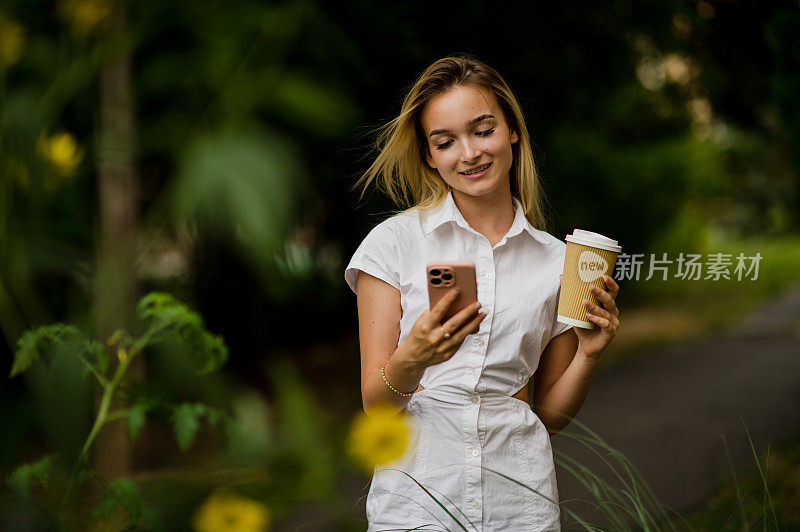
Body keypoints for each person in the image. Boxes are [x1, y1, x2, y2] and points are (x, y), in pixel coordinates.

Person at [344, 53, 621, 531]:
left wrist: (589, 354)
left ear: (512, 130)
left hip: (521, 506)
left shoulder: (558, 263)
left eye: (483, 129)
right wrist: (415, 354)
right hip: (416, 506)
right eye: (445, 141)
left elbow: (548, 416)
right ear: (429, 156)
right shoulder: (393, 245)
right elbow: (377, 405)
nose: (469, 153)